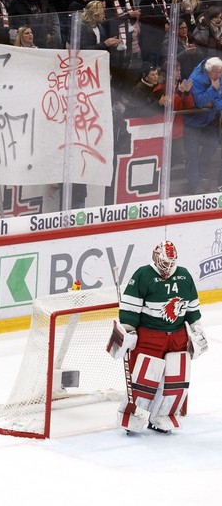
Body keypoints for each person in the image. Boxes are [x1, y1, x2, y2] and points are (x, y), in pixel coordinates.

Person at [109, 240, 207, 433]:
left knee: (176, 381)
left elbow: (192, 308)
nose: (168, 267)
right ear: (156, 258)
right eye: (164, 263)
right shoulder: (143, 275)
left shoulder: (184, 275)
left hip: (177, 337)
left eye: (171, 263)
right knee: (144, 380)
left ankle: (163, 416)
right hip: (150, 337)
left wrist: (196, 328)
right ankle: (133, 417)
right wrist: (128, 330)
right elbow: (130, 309)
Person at [183, 56, 222, 194]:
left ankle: (201, 176)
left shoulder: (218, 73)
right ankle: (194, 184)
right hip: (192, 122)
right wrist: (213, 90)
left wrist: (213, 103)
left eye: (220, 72)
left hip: (210, 120)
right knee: (192, 155)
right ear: (209, 71)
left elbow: (219, 101)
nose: (219, 75)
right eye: (217, 73)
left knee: (212, 145)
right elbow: (199, 102)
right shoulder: (196, 79)